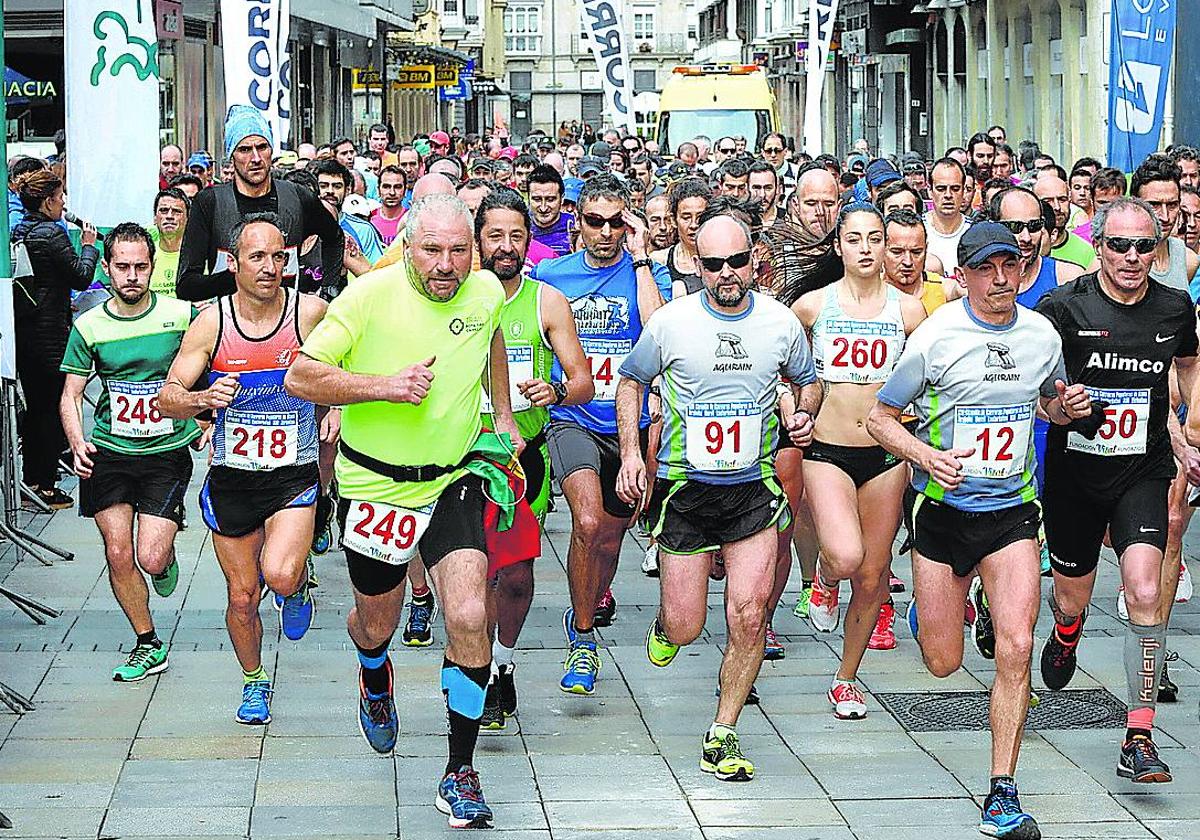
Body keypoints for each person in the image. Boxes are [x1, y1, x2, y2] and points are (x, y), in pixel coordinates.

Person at [284, 194, 530, 829]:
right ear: (407, 246)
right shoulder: (369, 298)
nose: (445, 265)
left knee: (471, 614)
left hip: (454, 477)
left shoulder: (483, 291)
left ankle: (460, 771)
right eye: (431, 251)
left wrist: (500, 416)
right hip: (376, 487)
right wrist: (383, 387)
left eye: (458, 251)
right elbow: (301, 376)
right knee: (377, 622)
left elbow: (491, 338)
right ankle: (372, 671)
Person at [869, 222, 1092, 840]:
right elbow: (879, 417)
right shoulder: (936, 338)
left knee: (1017, 647)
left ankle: (1002, 790)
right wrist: (921, 454)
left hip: (1012, 511)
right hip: (942, 512)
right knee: (943, 663)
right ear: (962, 274)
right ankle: (940, 610)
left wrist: (1063, 409)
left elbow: (1048, 401)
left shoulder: (1041, 334)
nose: (1001, 279)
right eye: (987, 268)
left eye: (1011, 266)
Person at [616, 214, 821, 780]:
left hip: (752, 489)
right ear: (696, 262)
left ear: (754, 260)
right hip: (686, 490)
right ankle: (668, 628)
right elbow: (631, 382)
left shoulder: (780, 323)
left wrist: (804, 416)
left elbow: (809, 380)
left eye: (737, 262)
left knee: (750, 613)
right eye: (712, 264)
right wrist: (632, 453)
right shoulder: (671, 323)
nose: (726, 274)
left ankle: (723, 730)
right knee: (685, 625)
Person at [1039, 197, 1197, 785]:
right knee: (1073, 596)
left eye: (1143, 246)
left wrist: (1185, 433)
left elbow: (1188, 365)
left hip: (1143, 470)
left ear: (1157, 249)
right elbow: (1039, 390)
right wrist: (1059, 406)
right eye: (1118, 245)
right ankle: (1066, 631)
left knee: (1145, 589)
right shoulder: (1065, 306)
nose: (1132, 257)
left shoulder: (1174, 307)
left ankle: (1139, 734)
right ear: (1098, 245)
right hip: (1076, 474)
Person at [159, 213, 328, 725]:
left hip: (293, 473)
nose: (271, 267)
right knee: (241, 595)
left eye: (279, 256)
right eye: (258, 257)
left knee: (277, 574)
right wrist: (202, 398)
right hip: (233, 477)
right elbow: (168, 398)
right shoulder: (211, 322)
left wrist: (336, 408)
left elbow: (347, 367)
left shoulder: (311, 313)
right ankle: (254, 680)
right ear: (233, 263)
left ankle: (296, 582)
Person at [529, 174, 671, 695]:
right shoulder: (552, 275)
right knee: (587, 521)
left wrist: (639, 260)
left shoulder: (644, 275)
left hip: (628, 426)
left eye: (617, 222)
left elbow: (658, 335)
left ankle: (585, 606)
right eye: (596, 221)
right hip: (573, 417)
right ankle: (584, 640)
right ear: (578, 222)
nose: (607, 232)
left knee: (611, 535)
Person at [793, 204, 926, 716]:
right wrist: (794, 409)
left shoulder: (909, 312)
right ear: (838, 247)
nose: (867, 249)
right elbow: (789, 370)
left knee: (872, 575)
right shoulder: (810, 306)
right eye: (855, 239)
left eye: (876, 238)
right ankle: (824, 580)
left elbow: (931, 377)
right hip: (826, 450)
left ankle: (846, 677)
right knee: (845, 557)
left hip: (886, 455)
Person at [472, 188, 593, 730]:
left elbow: (584, 383)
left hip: (524, 460)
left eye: (515, 235)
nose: (505, 246)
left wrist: (556, 392)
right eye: (494, 235)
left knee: (516, 576)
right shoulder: (454, 299)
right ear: (477, 241)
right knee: (475, 573)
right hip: (462, 460)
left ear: (530, 240)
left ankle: (502, 661)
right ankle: (478, 669)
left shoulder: (545, 301)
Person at [59, 223, 201, 682]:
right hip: (110, 452)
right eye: (123, 267)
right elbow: (70, 394)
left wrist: (201, 416)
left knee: (150, 557)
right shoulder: (90, 325)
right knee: (118, 552)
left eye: (141, 266)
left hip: (166, 450)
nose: (133, 276)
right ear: (107, 268)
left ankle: (164, 559)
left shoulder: (182, 316)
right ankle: (147, 642)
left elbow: (212, 362)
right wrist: (78, 441)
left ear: (152, 266)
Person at [176, 105, 343, 300]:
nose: (255, 158)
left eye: (262, 147)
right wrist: (242, 274)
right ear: (232, 156)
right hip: (231, 323)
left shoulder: (298, 197)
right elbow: (186, 285)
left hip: (288, 323)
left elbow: (335, 238)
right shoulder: (210, 202)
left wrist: (328, 290)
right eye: (245, 149)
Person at [11, 168, 99, 508]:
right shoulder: (51, 234)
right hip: (51, 336)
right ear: (48, 201)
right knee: (50, 410)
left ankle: (33, 478)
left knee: (36, 410)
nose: (64, 203)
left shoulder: (22, 230)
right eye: (60, 197)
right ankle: (44, 482)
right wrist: (88, 247)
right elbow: (80, 275)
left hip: (27, 334)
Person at [1129, 156, 1200, 300]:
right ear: (1134, 203)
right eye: (1154, 205)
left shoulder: (1188, 259)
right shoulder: (1114, 256)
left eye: (1172, 205)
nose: (1165, 216)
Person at [311, 159, 385, 267]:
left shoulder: (363, 230)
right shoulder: (303, 227)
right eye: (323, 186)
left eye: (337, 186)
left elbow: (377, 273)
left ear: (348, 190)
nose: (330, 191)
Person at [650, 177, 711, 297]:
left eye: (700, 217)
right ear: (673, 220)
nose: (694, 225)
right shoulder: (659, 260)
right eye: (686, 217)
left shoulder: (722, 260)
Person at [883, 208, 946, 315]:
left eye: (916, 252)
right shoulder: (867, 294)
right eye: (897, 252)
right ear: (882, 249)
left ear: (926, 249)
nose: (908, 262)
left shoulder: (945, 290)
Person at [1034, 172, 1098, 271]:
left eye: (1062, 199)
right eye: (1048, 201)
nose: (1057, 207)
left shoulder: (1087, 251)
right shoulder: (1025, 250)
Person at [924, 158, 971, 274]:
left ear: (964, 191)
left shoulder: (975, 232)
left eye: (955, 189)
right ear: (930, 190)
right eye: (941, 189)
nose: (948, 195)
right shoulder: (917, 230)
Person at [147, 188, 189, 297]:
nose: (169, 216)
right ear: (155, 218)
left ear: (188, 218)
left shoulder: (202, 256)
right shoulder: (145, 256)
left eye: (176, 211)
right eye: (164, 210)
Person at [528, 165, 572, 257]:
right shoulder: (520, 226)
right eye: (537, 199)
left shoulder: (574, 227)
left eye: (550, 199)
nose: (543, 208)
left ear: (562, 199)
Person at [1074, 168, 1126, 244]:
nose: (1108, 208)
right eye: (1102, 203)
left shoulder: (1135, 234)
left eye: (1115, 203)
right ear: (1091, 199)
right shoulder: (1078, 238)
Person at [370, 165, 406, 246]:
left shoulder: (411, 219)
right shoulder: (369, 219)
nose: (392, 192)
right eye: (386, 187)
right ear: (378, 190)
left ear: (405, 190)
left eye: (397, 187)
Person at [761, 132, 797, 198]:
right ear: (762, 152)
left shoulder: (797, 173)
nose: (773, 155)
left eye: (778, 151)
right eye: (768, 151)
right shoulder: (755, 175)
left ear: (785, 151)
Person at [747, 161, 780, 226]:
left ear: (777, 189)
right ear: (747, 188)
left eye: (768, 188)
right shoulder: (741, 220)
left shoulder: (787, 219)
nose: (762, 195)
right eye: (756, 188)